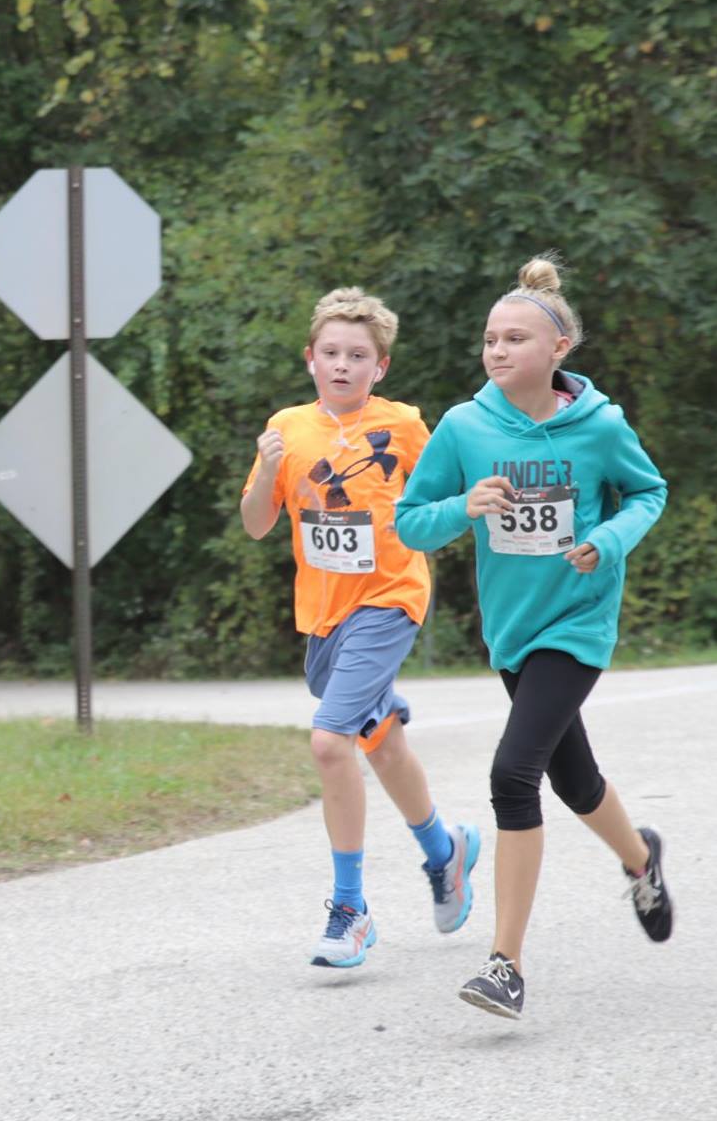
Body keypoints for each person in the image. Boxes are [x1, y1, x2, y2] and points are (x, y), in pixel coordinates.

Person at [395, 255, 674, 1020]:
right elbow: (409, 519)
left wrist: (608, 542)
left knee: (514, 773)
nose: (497, 349)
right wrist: (465, 506)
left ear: (558, 349)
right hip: (512, 628)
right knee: (574, 778)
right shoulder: (464, 427)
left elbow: (649, 491)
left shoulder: (601, 426)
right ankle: (642, 858)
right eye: (490, 338)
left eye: (515, 337)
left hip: (577, 621)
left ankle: (505, 964)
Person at [240, 288, 479, 970]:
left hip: (391, 595)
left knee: (328, 741)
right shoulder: (286, 426)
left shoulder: (402, 424)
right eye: (332, 353)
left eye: (359, 356)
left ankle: (351, 910)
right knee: (379, 741)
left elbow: (448, 492)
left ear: (382, 366)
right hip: (324, 614)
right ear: (310, 357)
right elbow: (258, 522)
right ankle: (445, 850)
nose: (343, 365)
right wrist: (266, 468)